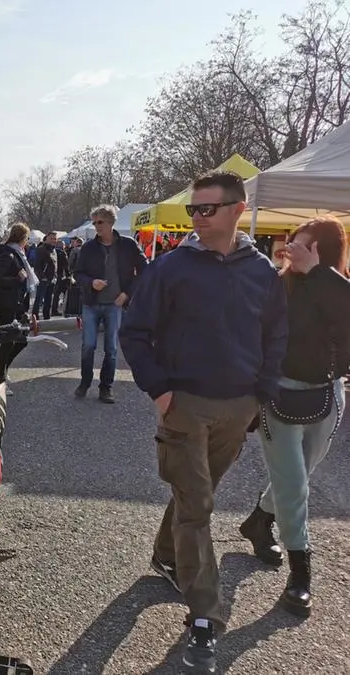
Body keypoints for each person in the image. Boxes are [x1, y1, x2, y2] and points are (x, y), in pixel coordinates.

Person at [119, 170, 288, 673]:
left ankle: (167, 555)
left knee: (198, 492)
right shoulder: (172, 268)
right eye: (193, 210)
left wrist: (262, 395)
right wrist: (161, 390)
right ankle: (205, 618)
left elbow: (276, 336)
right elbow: (134, 331)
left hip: (237, 408)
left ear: (238, 209)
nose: (197, 217)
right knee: (199, 506)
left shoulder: (261, 272)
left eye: (206, 208)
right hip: (185, 406)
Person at [237, 216, 349, 618]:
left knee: (299, 474)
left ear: (325, 252)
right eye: (292, 244)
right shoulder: (277, 285)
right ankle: (300, 573)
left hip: (327, 394)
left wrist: (319, 274)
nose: (292, 251)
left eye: (305, 245)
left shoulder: (337, 287)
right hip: (278, 392)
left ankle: (258, 520)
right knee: (294, 483)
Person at [73, 205, 147, 403]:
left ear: (111, 222)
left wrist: (127, 294)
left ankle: (106, 387)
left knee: (111, 349)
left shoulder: (128, 245)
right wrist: (91, 282)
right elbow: (77, 274)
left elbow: (144, 271)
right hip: (91, 304)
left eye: (100, 222)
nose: (96, 226)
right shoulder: (88, 247)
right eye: (94, 222)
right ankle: (85, 381)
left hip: (115, 305)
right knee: (88, 346)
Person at [0, 223, 37, 385]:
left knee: (22, 339)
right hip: (6, 301)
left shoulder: (18, 253)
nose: (27, 242)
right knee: (9, 340)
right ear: (22, 238)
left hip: (16, 302)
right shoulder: (7, 254)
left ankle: (2, 370)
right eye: (27, 238)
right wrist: (18, 279)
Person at [31, 233, 58, 319]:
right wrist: (42, 277)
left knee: (48, 299)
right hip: (43, 279)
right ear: (46, 239)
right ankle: (35, 317)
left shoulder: (54, 250)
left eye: (55, 238)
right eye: (51, 238)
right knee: (39, 299)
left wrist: (55, 276)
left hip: (52, 278)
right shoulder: (41, 249)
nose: (53, 240)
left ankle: (47, 317)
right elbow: (37, 265)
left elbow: (54, 265)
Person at [49, 237, 70, 316]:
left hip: (54, 275)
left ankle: (54, 310)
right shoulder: (62, 253)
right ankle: (64, 309)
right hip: (61, 276)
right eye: (64, 245)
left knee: (55, 294)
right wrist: (68, 275)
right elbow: (66, 265)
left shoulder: (53, 252)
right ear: (62, 246)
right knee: (63, 293)